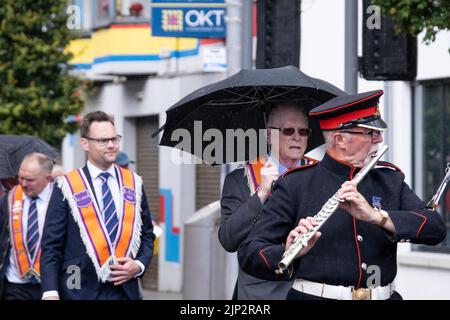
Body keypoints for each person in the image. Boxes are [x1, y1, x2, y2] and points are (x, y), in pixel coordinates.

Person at [238, 90, 447, 300]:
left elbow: (435, 229)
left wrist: (377, 217)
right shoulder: (296, 184)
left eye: (379, 132)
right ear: (340, 139)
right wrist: (288, 249)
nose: (379, 138)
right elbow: (250, 253)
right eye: (370, 132)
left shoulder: (390, 179)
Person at [41, 111, 155, 300]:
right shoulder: (67, 186)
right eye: (103, 140)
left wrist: (139, 265)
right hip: (78, 289)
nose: (111, 145)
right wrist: (50, 292)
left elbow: (147, 234)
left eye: (114, 139)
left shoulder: (133, 183)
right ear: (85, 143)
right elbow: (51, 244)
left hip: (124, 289)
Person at [219, 102, 317, 300]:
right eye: (288, 130)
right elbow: (228, 239)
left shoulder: (320, 174)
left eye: (303, 131)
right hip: (260, 290)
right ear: (269, 135)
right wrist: (261, 194)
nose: (297, 137)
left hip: (310, 286)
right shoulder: (241, 178)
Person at [0, 153, 54, 300]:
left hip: (50, 285)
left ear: (48, 179)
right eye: (20, 178)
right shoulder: (10, 198)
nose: (23, 184)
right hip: (15, 284)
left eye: (29, 180)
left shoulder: (60, 199)